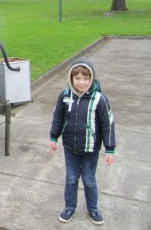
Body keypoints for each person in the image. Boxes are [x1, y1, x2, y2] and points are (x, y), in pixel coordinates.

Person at [49, 58, 115, 226]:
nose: (81, 82)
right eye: (77, 78)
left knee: (89, 179)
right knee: (71, 178)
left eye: (86, 78)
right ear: (71, 79)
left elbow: (108, 124)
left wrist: (109, 149)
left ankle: (93, 208)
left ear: (92, 78)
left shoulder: (99, 99)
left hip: (91, 149)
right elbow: (57, 117)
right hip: (70, 147)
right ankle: (70, 207)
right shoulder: (64, 96)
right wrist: (53, 137)